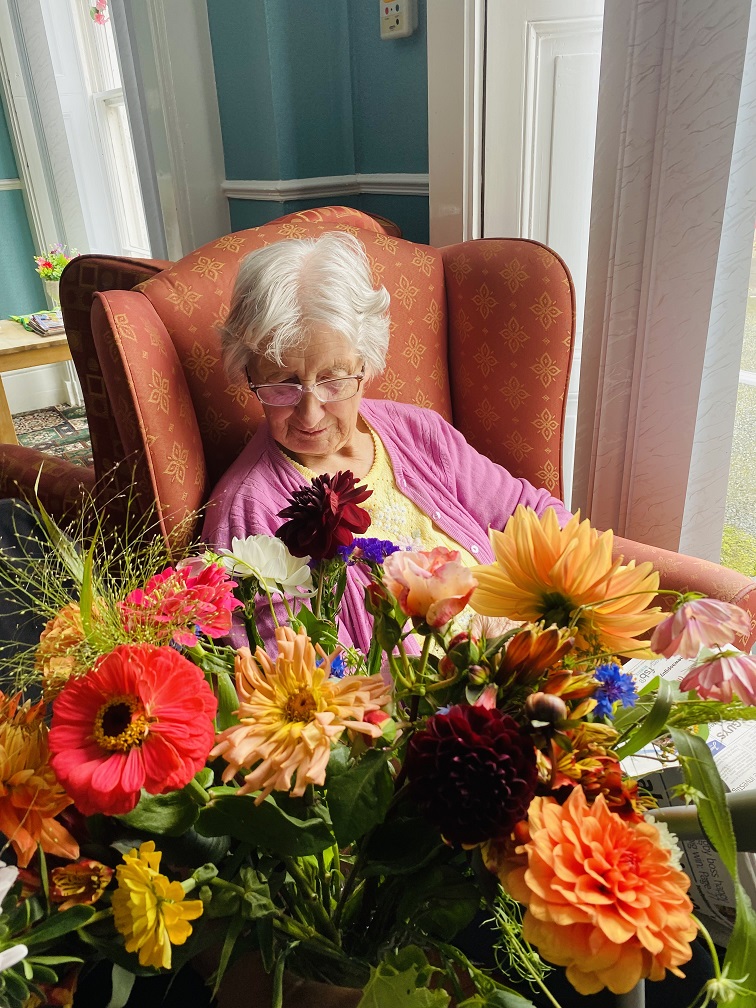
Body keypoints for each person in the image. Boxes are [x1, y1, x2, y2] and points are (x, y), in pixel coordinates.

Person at [201, 231, 571, 653]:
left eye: (333, 379)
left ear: (366, 363)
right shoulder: (249, 514)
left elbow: (534, 514)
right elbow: (317, 678)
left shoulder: (418, 431)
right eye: (282, 384)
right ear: (249, 374)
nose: (311, 413)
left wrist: (569, 599)